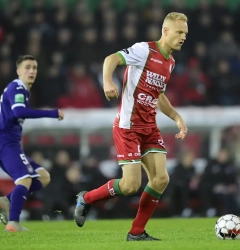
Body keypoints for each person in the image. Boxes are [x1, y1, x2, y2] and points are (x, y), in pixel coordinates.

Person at [74, 12, 188, 241]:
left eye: (185, 33)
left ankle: (136, 232)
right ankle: (86, 199)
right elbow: (111, 59)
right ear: (165, 31)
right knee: (130, 186)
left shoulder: (171, 62)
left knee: (161, 179)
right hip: (128, 126)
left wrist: (176, 117)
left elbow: (159, 95)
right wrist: (108, 81)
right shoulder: (145, 50)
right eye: (179, 32)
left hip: (149, 128)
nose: (183, 37)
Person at [0, 55, 64, 232]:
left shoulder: (23, 90)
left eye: (34, 68)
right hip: (5, 142)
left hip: (9, 142)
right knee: (26, 179)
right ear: (18, 71)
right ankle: (13, 223)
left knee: (43, 176)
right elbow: (18, 112)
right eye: (27, 67)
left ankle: (6, 201)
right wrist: (52, 113)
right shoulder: (17, 87)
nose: (31, 71)